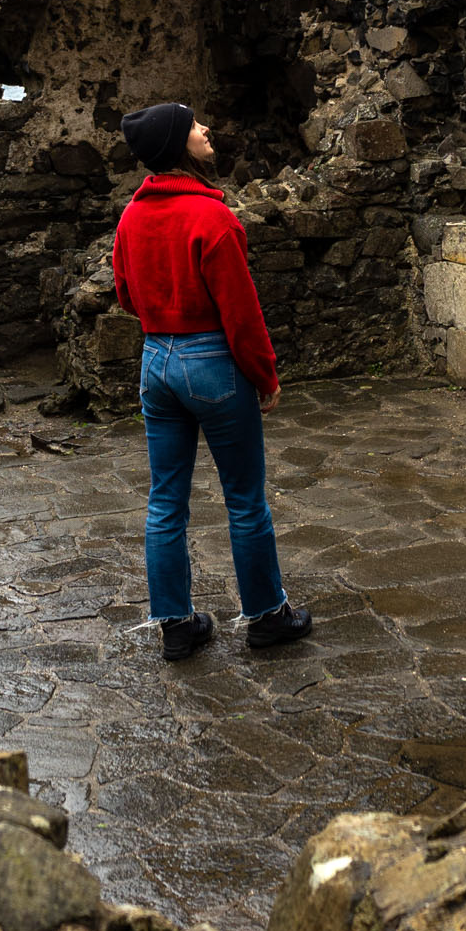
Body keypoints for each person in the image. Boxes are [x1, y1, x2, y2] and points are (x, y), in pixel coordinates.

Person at [112, 100, 312, 662]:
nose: (205, 129)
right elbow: (241, 314)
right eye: (194, 124)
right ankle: (268, 617)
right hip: (212, 363)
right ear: (179, 145)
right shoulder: (213, 218)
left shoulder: (131, 216)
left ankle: (176, 624)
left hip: (156, 360)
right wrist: (265, 375)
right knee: (245, 498)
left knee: (165, 499)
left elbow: (127, 296)